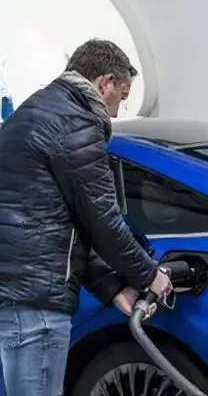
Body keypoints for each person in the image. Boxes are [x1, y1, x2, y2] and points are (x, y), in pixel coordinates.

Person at [0, 39, 173, 396]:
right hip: (37, 297)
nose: (117, 111)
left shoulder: (36, 112)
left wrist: (111, 287)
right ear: (105, 82)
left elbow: (67, 220)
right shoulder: (75, 121)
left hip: (21, 290)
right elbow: (102, 219)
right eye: (122, 95)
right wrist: (149, 274)